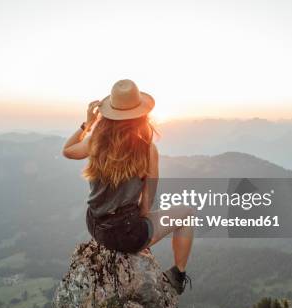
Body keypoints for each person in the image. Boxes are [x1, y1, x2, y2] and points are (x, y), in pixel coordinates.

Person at [62, 79, 195, 294]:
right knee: (187, 213)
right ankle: (177, 275)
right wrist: (143, 229)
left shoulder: (96, 140)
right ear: (142, 115)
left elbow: (67, 151)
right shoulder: (147, 150)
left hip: (95, 225)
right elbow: (147, 201)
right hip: (125, 233)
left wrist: (86, 124)